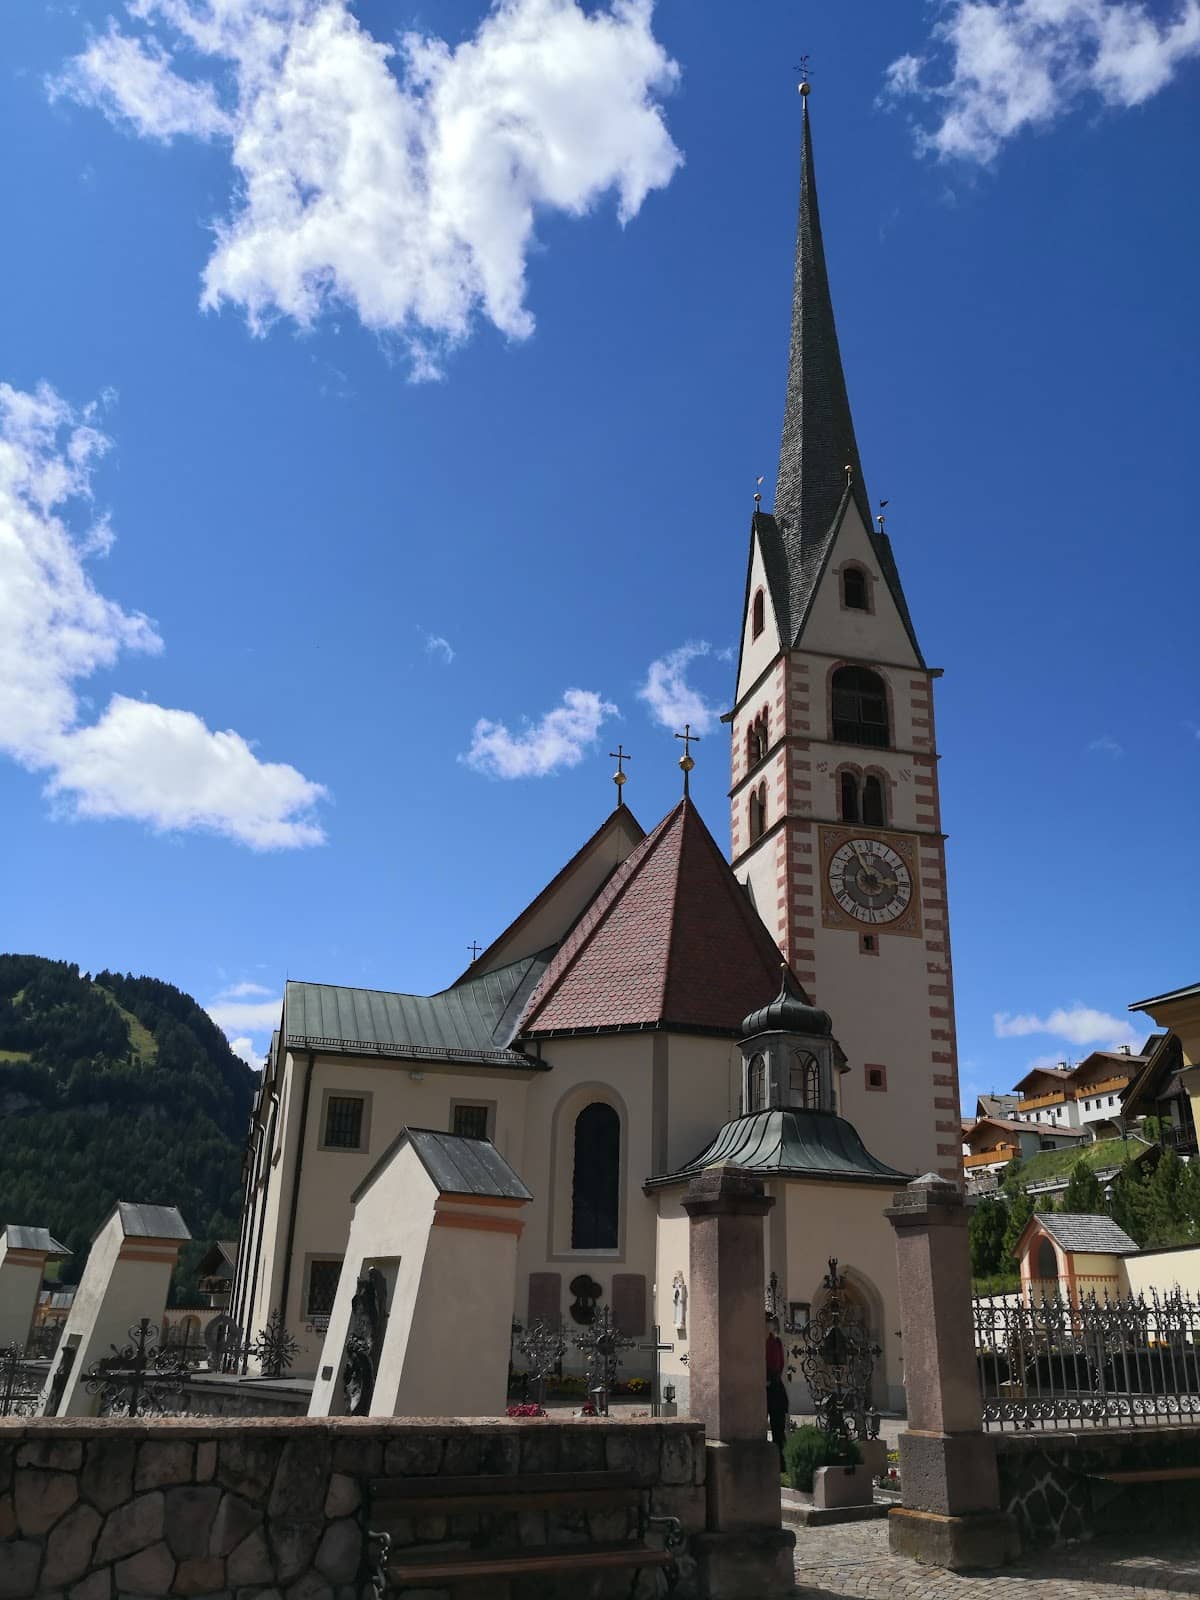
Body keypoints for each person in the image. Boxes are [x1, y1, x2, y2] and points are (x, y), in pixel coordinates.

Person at [765, 1315, 789, 1466]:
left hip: (775, 1387)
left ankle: (781, 1462)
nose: (769, 1328)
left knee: (778, 1428)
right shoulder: (759, 1343)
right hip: (761, 1388)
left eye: (770, 1325)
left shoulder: (776, 1342)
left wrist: (772, 1378)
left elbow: (779, 1365)